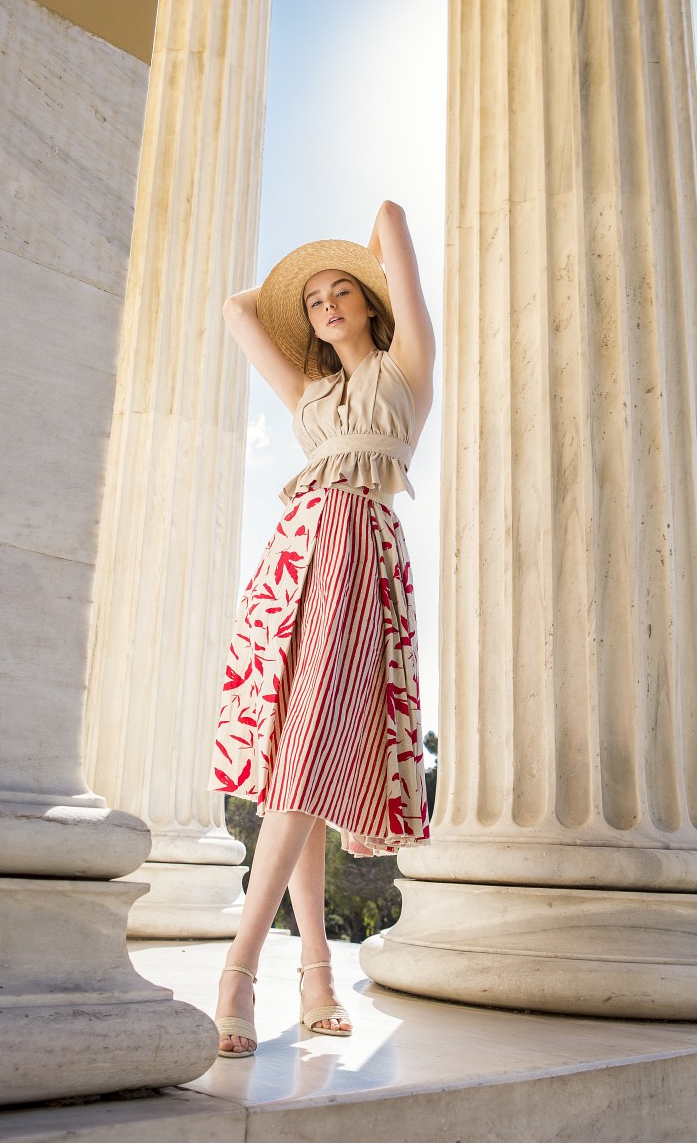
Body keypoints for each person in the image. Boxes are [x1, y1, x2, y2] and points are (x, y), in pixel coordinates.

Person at [208, 199, 435, 1057]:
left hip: (359, 551)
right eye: (314, 301)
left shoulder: (407, 368)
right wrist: (286, 292)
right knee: (285, 766)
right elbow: (237, 312)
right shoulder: (310, 391)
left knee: (306, 756)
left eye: (344, 292)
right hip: (292, 561)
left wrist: (364, 259)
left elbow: (391, 221)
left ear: (373, 304)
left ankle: (239, 968)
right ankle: (314, 968)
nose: (328, 304)